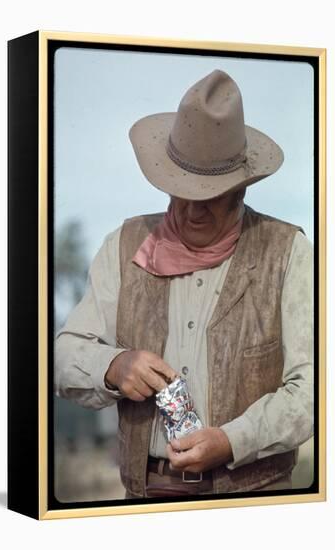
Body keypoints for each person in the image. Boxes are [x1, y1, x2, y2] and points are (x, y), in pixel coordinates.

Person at [55, 70, 313, 499]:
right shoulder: (122, 246)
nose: (192, 211)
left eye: (209, 197)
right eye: (181, 192)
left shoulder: (289, 253)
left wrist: (234, 440)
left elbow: (314, 390)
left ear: (240, 191)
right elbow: (60, 357)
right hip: (146, 496)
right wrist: (113, 366)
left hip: (255, 501)